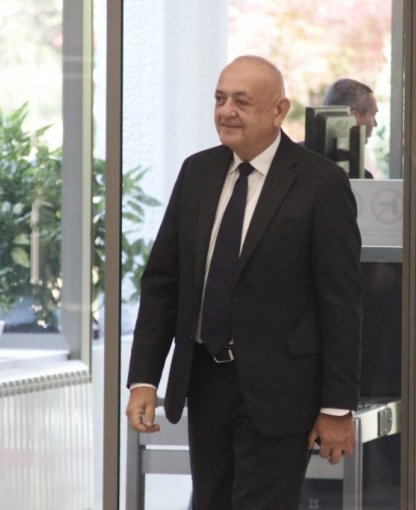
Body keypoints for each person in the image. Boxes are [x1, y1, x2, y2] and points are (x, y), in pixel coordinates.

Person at [125, 55, 363, 509]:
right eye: (220, 99)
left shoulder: (320, 184)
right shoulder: (197, 173)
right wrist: (144, 379)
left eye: (241, 102)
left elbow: (341, 303)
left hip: (281, 391)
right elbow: (163, 283)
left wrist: (336, 408)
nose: (226, 111)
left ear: (279, 111)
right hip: (205, 380)